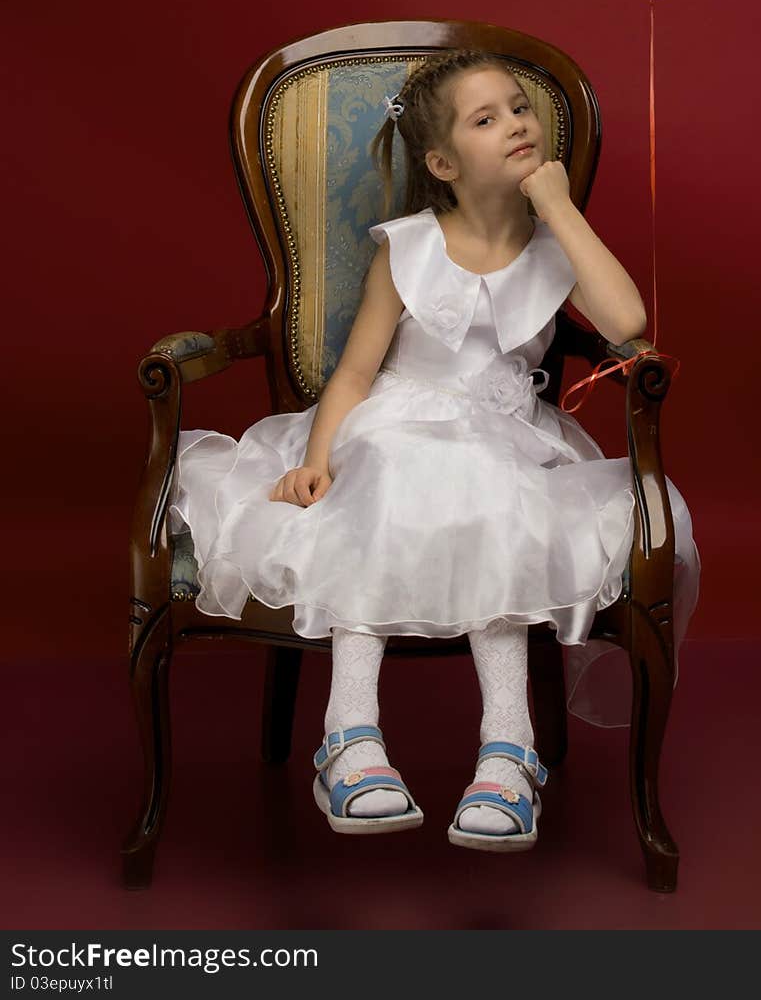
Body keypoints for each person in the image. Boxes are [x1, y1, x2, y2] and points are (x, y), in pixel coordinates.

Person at [168, 49, 701, 852]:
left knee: (498, 510)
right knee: (379, 497)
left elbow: (626, 322)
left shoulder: (555, 246)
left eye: (520, 108)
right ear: (444, 163)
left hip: (507, 439)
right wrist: (317, 457)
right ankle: (350, 735)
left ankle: (507, 752)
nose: (516, 123)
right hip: (394, 426)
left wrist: (558, 207)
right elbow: (352, 374)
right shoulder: (410, 246)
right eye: (486, 118)